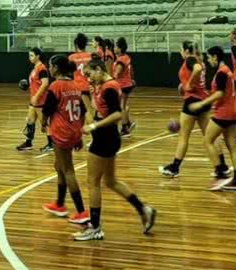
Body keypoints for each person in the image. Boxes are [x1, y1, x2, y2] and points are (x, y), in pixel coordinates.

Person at [73, 57, 156, 241]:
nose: (88, 79)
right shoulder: (104, 85)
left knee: (92, 182)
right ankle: (144, 209)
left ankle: (95, 227)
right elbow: (100, 109)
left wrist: (94, 126)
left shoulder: (110, 87)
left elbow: (118, 114)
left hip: (104, 138)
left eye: (89, 74)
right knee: (110, 181)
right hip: (110, 138)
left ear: (99, 70)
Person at [159, 41, 229, 178]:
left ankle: (174, 167)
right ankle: (222, 166)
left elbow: (196, 70)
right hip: (203, 100)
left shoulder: (191, 60)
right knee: (210, 137)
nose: (180, 52)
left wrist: (188, 84)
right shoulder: (200, 59)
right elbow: (197, 74)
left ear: (186, 50)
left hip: (192, 101)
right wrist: (184, 84)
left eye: (180, 49)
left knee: (183, 137)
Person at [189, 46, 236, 191]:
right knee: (232, 144)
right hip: (234, 111)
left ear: (215, 57)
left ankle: (220, 172)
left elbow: (220, 94)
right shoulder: (227, 70)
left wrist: (202, 103)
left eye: (209, 58)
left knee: (207, 140)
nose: (208, 61)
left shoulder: (221, 73)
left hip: (223, 113)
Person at [41, 55, 89, 224]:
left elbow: (46, 110)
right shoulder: (75, 85)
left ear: (55, 68)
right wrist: (79, 133)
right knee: (59, 166)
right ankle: (59, 204)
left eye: (50, 66)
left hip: (61, 132)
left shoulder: (56, 86)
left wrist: (42, 123)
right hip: (74, 129)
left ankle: (82, 211)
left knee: (68, 170)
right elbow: (83, 111)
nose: (49, 69)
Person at [16, 47, 53, 152]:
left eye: (32, 55)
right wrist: (28, 85)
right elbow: (36, 83)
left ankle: (51, 143)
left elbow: (45, 83)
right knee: (30, 121)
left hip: (40, 100)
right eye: (29, 55)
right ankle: (28, 143)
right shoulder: (35, 68)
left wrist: (36, 96)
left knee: (44, 123)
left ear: (38, 56)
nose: (30, 57)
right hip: (34, 100)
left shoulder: (42, 68)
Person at [113, 37, 136, 137]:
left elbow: (117, 73)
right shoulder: (126, 57)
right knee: (122, 105)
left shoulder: (121, 60)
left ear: (120, 48)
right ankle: (128, 123)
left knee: (120, 106)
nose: (114, 49)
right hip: (127, 84)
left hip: (122, 85)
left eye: (116, 47)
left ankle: (125, 128)